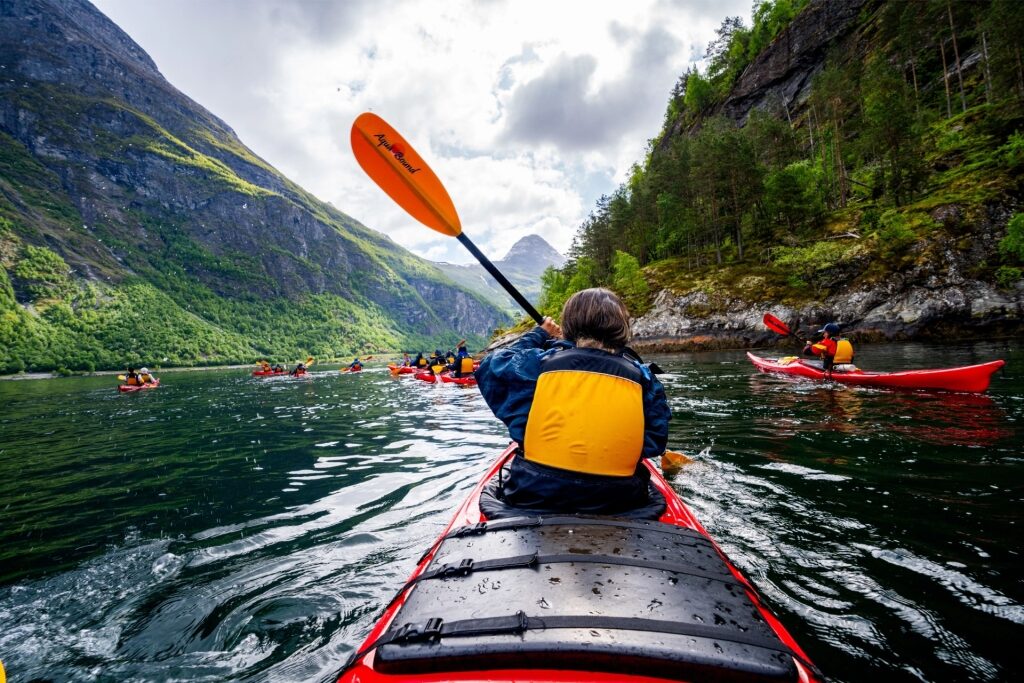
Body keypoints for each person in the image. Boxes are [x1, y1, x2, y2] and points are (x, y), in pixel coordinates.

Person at [476, 287, 671, 516]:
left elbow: (490, 366)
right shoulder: (644, 378)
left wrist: (540, 335)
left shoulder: (539, 365)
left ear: (568, 326)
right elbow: (654, 443)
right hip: (619, 501)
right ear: (621, 328)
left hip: (533, 494)